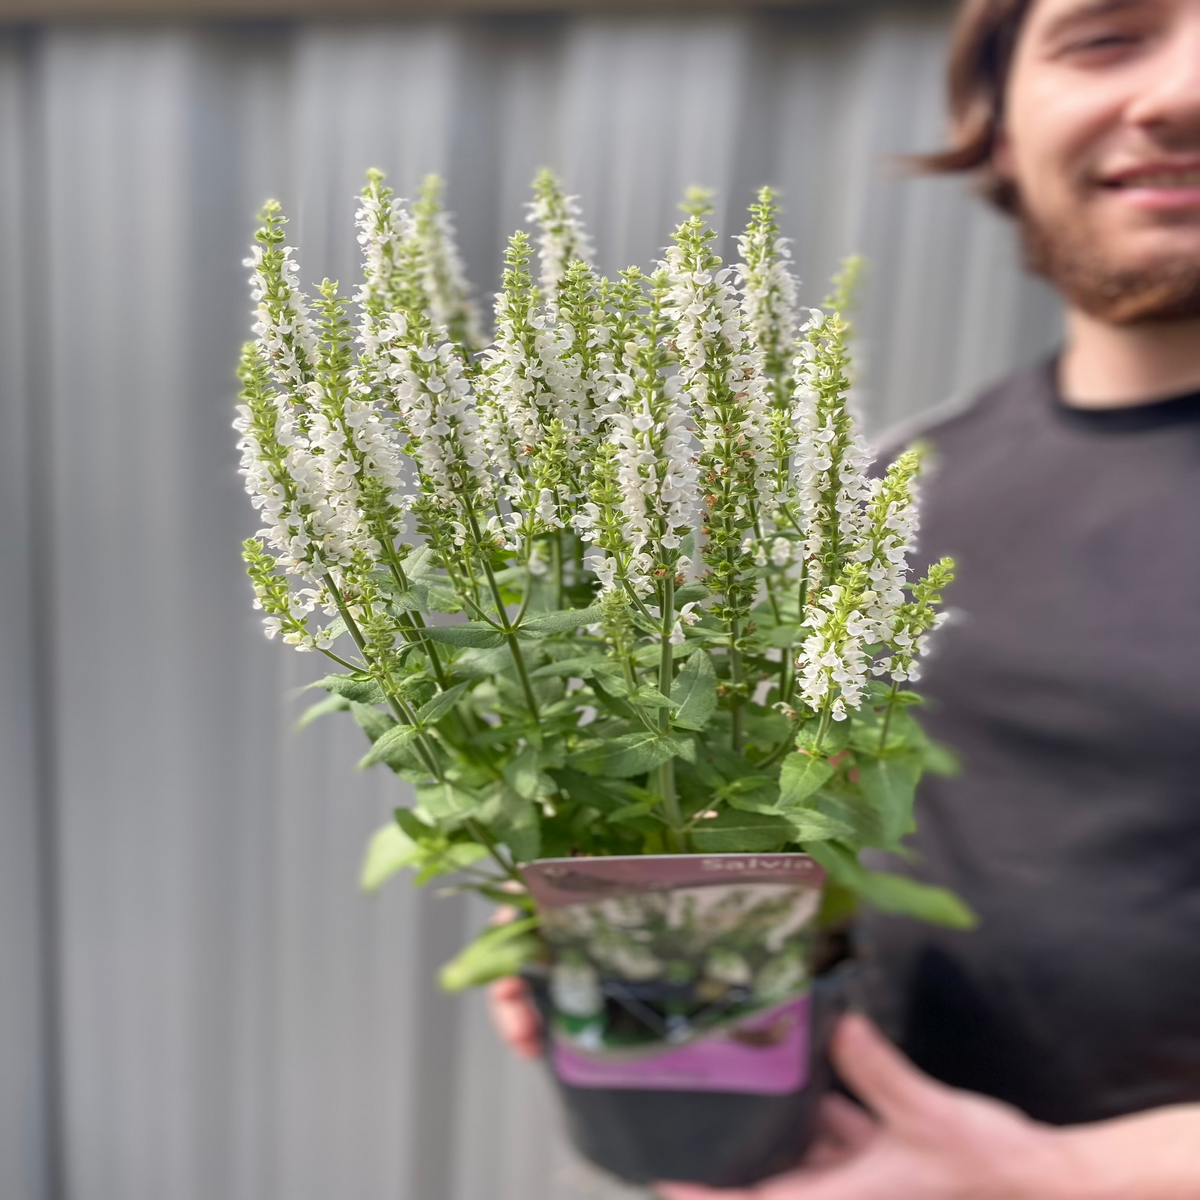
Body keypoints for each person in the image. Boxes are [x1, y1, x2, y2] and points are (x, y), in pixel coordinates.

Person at [492, 0, 1200, 1193]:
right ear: (999, 118)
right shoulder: (883, 490)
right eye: (1107, 35)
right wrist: (642, 931)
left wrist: (1050, 1179)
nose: (1180, 93)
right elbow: (791, 828)